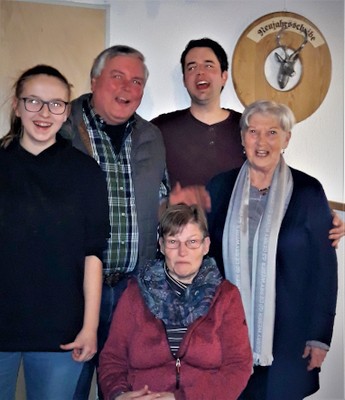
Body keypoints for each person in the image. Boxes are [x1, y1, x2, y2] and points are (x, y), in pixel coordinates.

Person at [152, 37, 344, 246]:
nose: (200, 72)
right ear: (184, 79)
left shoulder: (250, 128)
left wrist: (322, 211)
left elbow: (278, 177)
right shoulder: (159, 129)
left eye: (209, 65)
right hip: (181, 251)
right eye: (192, 67)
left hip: (239, 249)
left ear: (224, 76)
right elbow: (143, 192)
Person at [206, 100, 338, 399]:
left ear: (286, 139)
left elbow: (325, 270)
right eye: (253, 132)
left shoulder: (308, 192)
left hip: (290, 340)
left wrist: (319, 337)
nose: (261, 142)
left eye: (272, 132)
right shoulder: (219, 187)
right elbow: (205, 261)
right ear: (242, 138)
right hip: (225, 338)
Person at [61, 45, 169, 399]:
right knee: (69, 386)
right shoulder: (61, 128)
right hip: (72, 290)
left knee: (124, 388)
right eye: (117, 77)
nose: (127, 88)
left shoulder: (152, 136)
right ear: (94, 81)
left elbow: (162, 199)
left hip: (132, 291)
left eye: (136, 81)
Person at [0, 65, 110, 400]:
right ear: (17, 106)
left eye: (56, 104)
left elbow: (93, 254)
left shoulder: (85, 172)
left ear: (67, 112)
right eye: (33, 101)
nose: (44, 113)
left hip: (61, 331)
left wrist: (90, 328)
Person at [98, 203, 253, 400]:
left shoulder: (226, 296)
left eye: (192, 242)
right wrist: (119, 395)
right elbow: (113, 359)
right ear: (161, 246)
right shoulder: (135, 293)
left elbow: (238, 366)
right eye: (173, 241)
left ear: (206, 246)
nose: (182, 252)